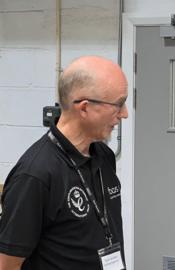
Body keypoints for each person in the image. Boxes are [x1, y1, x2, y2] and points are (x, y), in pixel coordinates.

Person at [0, 56, 128, 270]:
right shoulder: (36, 175)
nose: (124, 114)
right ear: (84, 108)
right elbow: (7, 265)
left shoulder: (103, 155)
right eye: (118, 104)